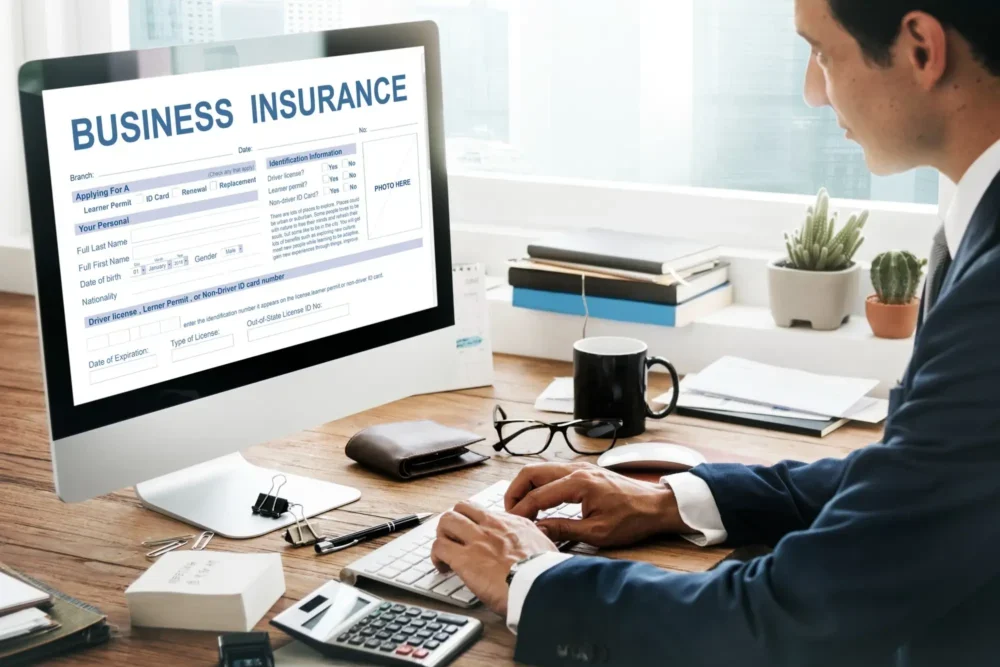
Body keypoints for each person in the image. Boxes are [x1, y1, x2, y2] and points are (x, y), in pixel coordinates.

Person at [429, 1, 1000, 665]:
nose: (813, 92)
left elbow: (794, 617)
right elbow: (916, 480)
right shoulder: (976, 223)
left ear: (922, 49)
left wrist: (534, 578)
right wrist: (673, 500)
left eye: (822, 53)